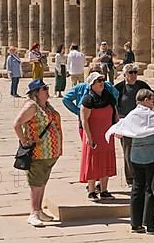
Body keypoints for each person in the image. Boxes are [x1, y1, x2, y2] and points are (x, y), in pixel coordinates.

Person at [106, 88, 154, 234]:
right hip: (150, 155)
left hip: (135, 156)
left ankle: (135, 224)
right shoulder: (151, 116)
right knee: (151, 188)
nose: (153, 101)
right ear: (146, 100)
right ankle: (149, 223)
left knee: (137, 189)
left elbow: (119, 131)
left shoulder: (132, 115)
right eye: (152, 99)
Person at [12, 79, 63, 227]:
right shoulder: (31, 106)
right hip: (38, 152)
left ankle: (39, 210)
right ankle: (33, 213)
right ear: (36, 92)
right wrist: (24, 141)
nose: (47, 90)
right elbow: (16, 124)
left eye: (47, 87)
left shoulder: (46, 105)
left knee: (42, 182)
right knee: (35, 183)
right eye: (44, 89)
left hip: (50, 152)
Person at [80, 72, 118, 202]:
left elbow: (115, 114)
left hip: (107, 134)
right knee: (93, 162)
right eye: (98, 81)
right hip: (93, 135)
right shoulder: (87, 99)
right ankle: (91, 191)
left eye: (102, 80)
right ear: (92, 84)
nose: (101, 83)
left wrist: (117, 128)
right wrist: (89, 138)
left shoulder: (109, 97)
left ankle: (104, 190)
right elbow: (84, 120)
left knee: (106, 160)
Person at [115, 63, 152, 187]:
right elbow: (113, 106)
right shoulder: (119, 88)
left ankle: (143, 177)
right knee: (128, 151)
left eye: (135, 72)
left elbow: (152, 98)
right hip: (126, 123)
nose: (133, 75)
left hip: (141, 123)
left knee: (143, 149)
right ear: (124, 75)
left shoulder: (142, 85)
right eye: (130, 72)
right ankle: (131, 178)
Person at [62, 63, 119, 140]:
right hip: (86, 123)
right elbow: (66, 99)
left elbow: (116, 96)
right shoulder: (81, 87)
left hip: (105, 123)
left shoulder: (107, 85)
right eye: (93, 71)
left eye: (98, 71)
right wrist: (78, 111)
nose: (96, 73)